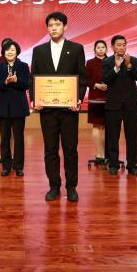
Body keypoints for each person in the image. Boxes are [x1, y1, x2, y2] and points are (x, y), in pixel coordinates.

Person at [30, 11, 87, 202]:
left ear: (65, 27)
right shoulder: (39, 51)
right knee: (50, 149)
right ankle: (54, 186)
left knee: (70, 150)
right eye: (50, 25)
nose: (53, 28)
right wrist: (35, 99)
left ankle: (71, 187)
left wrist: (78, 99)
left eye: (57, 24)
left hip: (69, 109)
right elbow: (33, 77)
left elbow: (82, 78)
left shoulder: (76, 49)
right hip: (47, 110)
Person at [102, 35, 137, 177]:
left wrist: (130, 66)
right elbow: (106, 80)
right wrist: (116, 68)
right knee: (113, 137)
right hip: (113, 105)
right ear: (113, 46)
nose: (121, 47)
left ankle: (132, 165)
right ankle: (113, 164)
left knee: (132, 137)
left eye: (123, 45)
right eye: (118, 45)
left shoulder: (133, 60)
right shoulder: (107, 62)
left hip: (131, 104)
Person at [0, 40, 31, 177]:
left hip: (18, 107)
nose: (10, 52)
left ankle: (18, 166)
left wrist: (17, 80)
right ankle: (6, 166)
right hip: (3, 107)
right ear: (3, 52)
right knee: (5, 139)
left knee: (19, 139)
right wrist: (5, 82)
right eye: (7, 50)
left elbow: (27, 84)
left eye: (12, 50)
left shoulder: (23, 66)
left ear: (17, 52)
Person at [87, 39, 108, 167]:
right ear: (95, 49)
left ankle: (106, 154)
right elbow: (86, 79)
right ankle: (98, 154)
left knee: (107, 126)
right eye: (98, 47)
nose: (100, 49)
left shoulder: (111, 61)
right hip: (95, 98)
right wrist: (96, 85)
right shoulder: (90, 63)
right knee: (96, 125)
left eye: (103, 47)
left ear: (106, 49)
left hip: (109, 98)